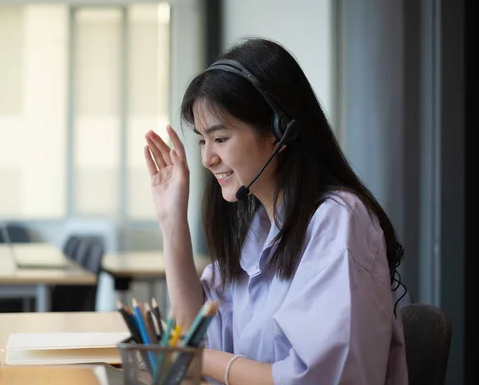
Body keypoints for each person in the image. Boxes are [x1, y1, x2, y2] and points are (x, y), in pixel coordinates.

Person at [143, 37, 408, 385]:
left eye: (220, 138)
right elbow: (194, 333)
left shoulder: (338, 221)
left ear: (279, 131)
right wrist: (172, 220)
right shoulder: (257, 228)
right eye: (202, 141)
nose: (207, 159)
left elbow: (317, 378)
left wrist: (202, 360)